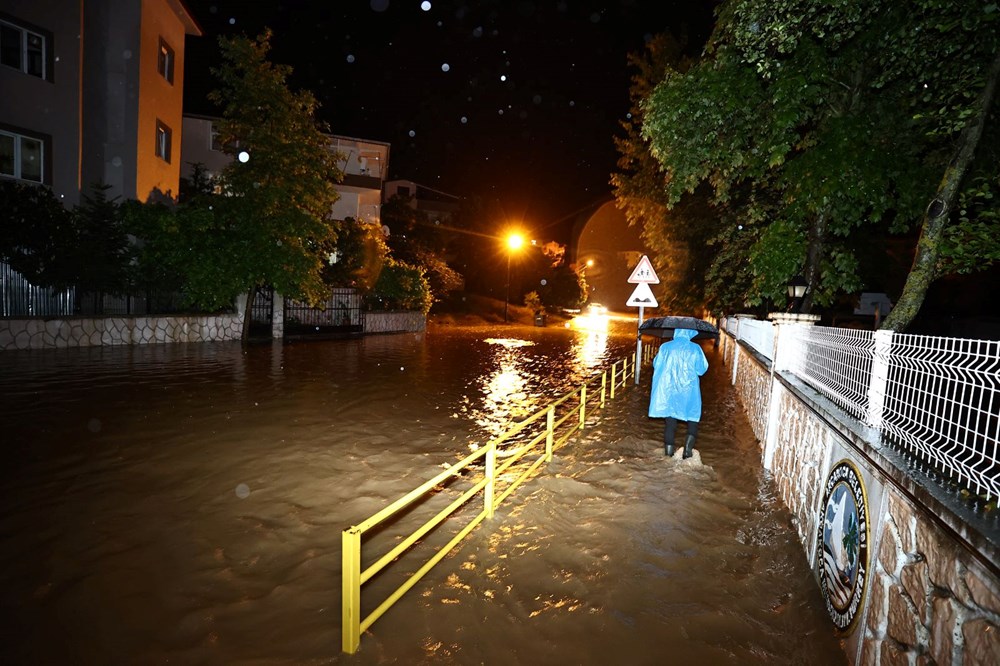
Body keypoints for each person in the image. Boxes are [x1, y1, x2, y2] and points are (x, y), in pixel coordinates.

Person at [648, 328, 709, 458]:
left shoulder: (666, 347)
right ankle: (687, 451)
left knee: (670, 423)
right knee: (693, 419)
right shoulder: (695, 348)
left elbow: (656, 364)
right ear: (691, 332)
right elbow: (701, 369)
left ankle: (669, 455)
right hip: (689, 390)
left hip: (669, 390)